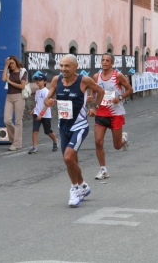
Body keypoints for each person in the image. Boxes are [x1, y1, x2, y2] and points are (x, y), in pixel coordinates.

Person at [44, 54, 104, 207]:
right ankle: (83, 185)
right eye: (61, 66)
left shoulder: (83, 80)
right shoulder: (57, 80)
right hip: (63, 126)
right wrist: (48, 102)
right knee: (71, 161)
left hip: (79, 126)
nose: (63, 69)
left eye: (67, 66)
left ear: (75, 67)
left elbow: (99, 90)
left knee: (68, 158)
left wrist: (95, 107)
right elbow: (48, 97)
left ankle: (74, 189)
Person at [88, 53, 133, 180]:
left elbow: (130, 89)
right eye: (103, 60)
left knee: (117, 146)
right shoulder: (96, 76)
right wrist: (91, 97)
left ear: (112, 63)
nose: (105, 62)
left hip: (115, 114)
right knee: (98, 141)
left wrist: (119, 97)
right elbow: (93, 91)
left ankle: (123, 139)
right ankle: (103, 170)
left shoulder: (117, 76)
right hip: (101, 113)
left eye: (107, 60)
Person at [1, 55, 27, 151]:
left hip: (19, 97)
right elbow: (3, 79)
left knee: (18, 121)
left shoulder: (23, 71)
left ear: (16, 62)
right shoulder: (8, 71)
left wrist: (10, 82)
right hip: (9, 97)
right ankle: (13, 139)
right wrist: (5, 66)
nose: (11, 65)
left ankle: (17, 143)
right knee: (7, 120)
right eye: (9, 63)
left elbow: (22, 86)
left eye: (12, 63)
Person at [28, 74, 58, 154]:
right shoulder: (37, 92)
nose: (38, 81)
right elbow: (38, 102)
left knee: (47, 131)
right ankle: (35, 147)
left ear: (44, 82)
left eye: (40, 80)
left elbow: (47, 104)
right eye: (37, 80)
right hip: (37, 113)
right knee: (35, 130)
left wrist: (41, 114)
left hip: (45, 115)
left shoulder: (47, 92)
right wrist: (34, 110)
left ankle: (55, 141)